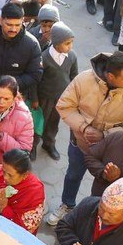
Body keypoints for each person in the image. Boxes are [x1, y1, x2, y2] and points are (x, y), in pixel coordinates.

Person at [53, 51, 123, 220]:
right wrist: (83, 128)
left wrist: (105, 134)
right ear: (111, 76)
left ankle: (97, 214)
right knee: (73, 174)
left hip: (112, 150)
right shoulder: (83, 79)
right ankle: (67, 205)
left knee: (105, 183)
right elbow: (64, 105)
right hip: (80, 142)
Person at [0, 148, 46, 234]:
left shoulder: (35, 192)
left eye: (10, 175)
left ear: (25, 175)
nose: (5, 177)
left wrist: (3, 208)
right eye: (3, 171)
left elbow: (25, 228)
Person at [35, 22, 78, 160]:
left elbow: (74, 77)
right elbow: (36, 80)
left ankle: (49, 143)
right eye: (67, 43)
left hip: (60, 98)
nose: (70, 46)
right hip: (44, 98)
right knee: (39, 122)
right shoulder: (44, 58)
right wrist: (35, 99)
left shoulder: (71, 57)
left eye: (71, 42)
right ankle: (32, 146)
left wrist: (72, 97)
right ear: (57, 43)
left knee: (54, 122)